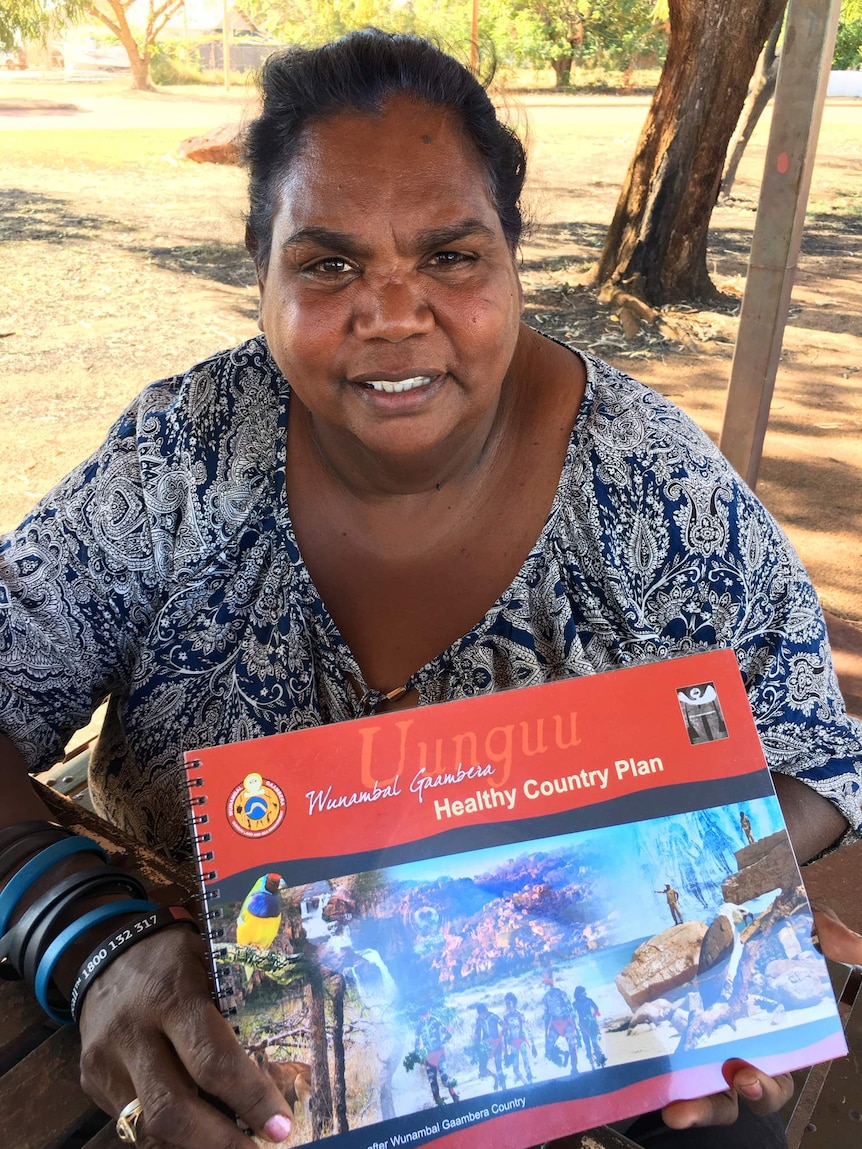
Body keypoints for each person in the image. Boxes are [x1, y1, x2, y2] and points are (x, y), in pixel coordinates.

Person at [0, 26, 860, 1149]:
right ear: (259, 268)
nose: (394, 313)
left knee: (724, 1128)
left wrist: (660, 899)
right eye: (329, 263)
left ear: (513, 256)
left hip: (584, 1058)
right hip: (201, 1067)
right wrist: (83, 933)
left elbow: (815, 762)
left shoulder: (653, 489)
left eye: (450, 256)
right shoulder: (185, 457)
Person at [414, 1005, 459, 1106]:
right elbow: (416, 1042)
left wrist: (442, 1043)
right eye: (422, 1016)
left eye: (425, 1014)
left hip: (439, 1053)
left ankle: (454, 1096)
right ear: (420, 1016)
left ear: (428, 1012)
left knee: (445, 1079)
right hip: (429, 1056)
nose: (424, 1017)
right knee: (432, 1081)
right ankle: (440, 1104)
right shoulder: (418, 1026)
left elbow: (448, 1034)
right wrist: (417, 1054)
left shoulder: (435, 1020)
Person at [503, 990, 536, 1084]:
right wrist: (505, 1050)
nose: (508, 1005)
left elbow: (528, 1028)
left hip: (521, 1041)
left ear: (514, 1002)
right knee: (515, 1069)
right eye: (506, 1003)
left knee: (526, 1063)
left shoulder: (519, 1014)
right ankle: (525, 1084)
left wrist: (533, 1044)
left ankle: (530, 1083)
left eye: (509, 1002)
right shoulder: (506, 1017)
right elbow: (505, 1033)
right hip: (513, 1043)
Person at [472, 1001, 507, 1090]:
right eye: (480, 1015)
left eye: (483, 1014)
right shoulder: (478, 1020)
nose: (482, 1016)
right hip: (486, 1045)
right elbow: (477, 1033)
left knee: (498, 1065)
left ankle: (504, 1088)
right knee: (482, 1069)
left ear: (486, 1010)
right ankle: (495, 1077)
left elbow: (503, 1025)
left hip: (497, 1042)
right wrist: (476, 1045)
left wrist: (504, 1031)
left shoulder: (493, 1016)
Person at [572, 985, 607, 1070]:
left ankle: (599, 1061)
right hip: (584, 1025)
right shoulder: (576, 1003)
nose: (585, 994)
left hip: (590, 1024)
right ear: (579, 994)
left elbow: (596, 1009)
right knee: (588, 1045)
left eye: (585, 993)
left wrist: (595, 1016)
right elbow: (573, 1015)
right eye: (583, 993)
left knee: (594, 1044)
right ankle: (592, 1063)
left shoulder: (586, 1001)